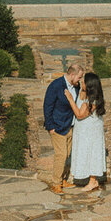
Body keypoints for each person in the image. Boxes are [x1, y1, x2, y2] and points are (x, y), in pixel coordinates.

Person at [43, 63, 83, 193]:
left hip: (70, 126)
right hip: (58, 127)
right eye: (79, 77)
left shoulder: (77, 87)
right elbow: (47, 107)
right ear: (72, 75)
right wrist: (50, 127)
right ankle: (56, 183)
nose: (80, 80)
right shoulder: (56, 86)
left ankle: (63, 180)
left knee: (68, 155)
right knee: (61, 155)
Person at [65, 71, 106, 192]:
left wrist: (70, 99)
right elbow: (82, 97)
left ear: (89, 85)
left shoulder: (92, 102)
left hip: (91, 135)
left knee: (92, 155)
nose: (81, 82)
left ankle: (93, 181)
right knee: (87, 154)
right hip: (85, 133)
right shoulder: (88, 96)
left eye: (83, 81)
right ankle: (92, 180)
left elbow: (79, 114)